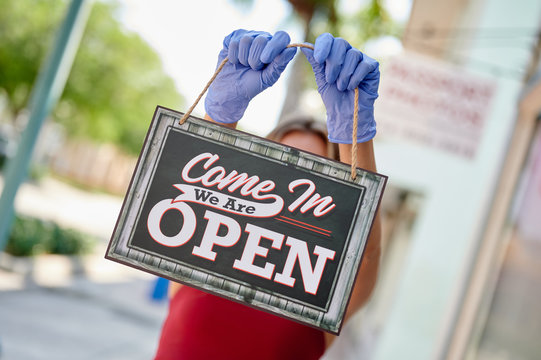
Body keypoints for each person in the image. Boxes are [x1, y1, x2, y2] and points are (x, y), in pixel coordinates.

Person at [154, 29, 381, 360]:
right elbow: (196, 191)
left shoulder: (328, 290)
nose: (291, 186)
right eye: (283, 167)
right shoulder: (202, 248)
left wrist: (353, 135)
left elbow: (366, 251)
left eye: (311, 174)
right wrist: (220, 115)